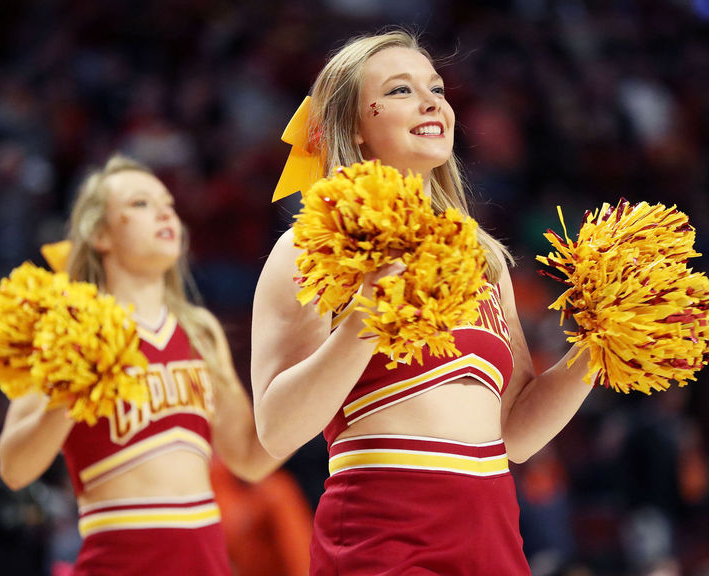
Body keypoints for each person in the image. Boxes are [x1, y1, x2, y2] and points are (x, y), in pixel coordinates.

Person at [251, 29, 596, 574]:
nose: (432, 100)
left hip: (494, 535)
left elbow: (517, 435)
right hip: (382, 534)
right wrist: (367, 317)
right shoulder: (310, 246)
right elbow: (276, 430)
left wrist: (601, 344)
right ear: (356, 130)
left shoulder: (481, 259)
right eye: (399, 90)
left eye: (436, 86)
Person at [0, 153, 281, 575]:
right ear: (99, 234)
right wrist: (69, 389)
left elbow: (248, 458)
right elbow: (14, 469)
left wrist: (315, 383)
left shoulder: (200, 330)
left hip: (206, 558)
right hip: (117, 559)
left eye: (168, 203)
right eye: (140, 204)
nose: (165, 211)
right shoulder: (64, 325)